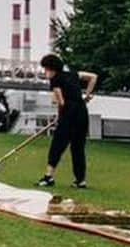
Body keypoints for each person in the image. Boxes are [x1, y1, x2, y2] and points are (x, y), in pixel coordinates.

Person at [35, 52, 97, 189]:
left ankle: (48, 177)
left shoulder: (55, 80)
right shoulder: (73, 75)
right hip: (82, 113)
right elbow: (93, 77)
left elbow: (61, 101)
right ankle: (80, 180)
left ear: (51, 69)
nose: (45, 73)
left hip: (69, 113)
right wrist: (86, 95)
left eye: (45, 69)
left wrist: (59, 116)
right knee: (78, 147)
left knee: (57, 145)